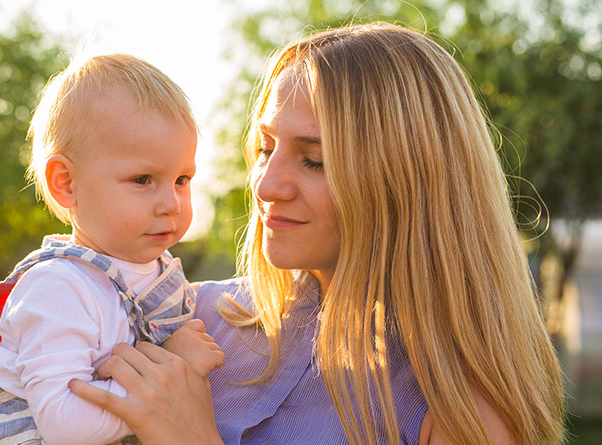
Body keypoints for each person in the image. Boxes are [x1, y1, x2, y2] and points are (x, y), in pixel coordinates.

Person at [71, 23, 566, 444]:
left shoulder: (462, 408)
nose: (266, 185)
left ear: (408, 181)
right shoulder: (185, 317)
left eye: (315, 160)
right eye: (265, 149)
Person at [0, 53, 225, 445]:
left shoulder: (158, 276)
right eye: (143, 179)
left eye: (182, 179)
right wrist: (175, 368)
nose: (172, 203)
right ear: (66, 183)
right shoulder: (58, 288)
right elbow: (66, 425)